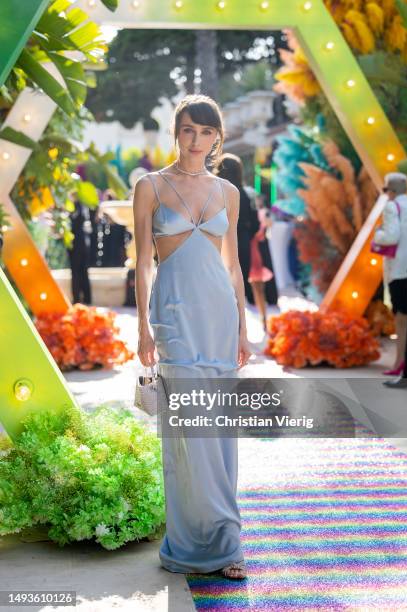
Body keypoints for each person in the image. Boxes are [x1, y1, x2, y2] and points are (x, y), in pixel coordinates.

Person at [133, 95, 252, 579]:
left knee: (218, 432)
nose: (196, 140)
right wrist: (141, 324)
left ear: (217, 137)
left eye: (205, 131)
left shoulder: (228, 192)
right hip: (175, 317)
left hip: (220, 319)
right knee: (187, 433)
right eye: (187, 130)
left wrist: (244, 328)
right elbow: (142, 262)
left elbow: (234, 265)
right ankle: (188, 540)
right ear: (175, 133)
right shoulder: (150, 187)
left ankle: (227, 541)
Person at [372, 173, 407, 376]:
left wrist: (378, 234)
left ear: (391, 190)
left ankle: (399, 363)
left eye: (386, 190)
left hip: (399, 268)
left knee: (401, 318)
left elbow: (391, 236)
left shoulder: (391, 207)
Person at [214, 153, 260, 304]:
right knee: (240, 276)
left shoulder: (214, 193)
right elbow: (255, 224)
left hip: (219, 240)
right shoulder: (247, 194)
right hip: (243, 239)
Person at [248, 200, 274, 331]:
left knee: (258, 288)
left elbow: (267, 229)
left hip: (254, 254)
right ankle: (262, 317)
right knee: (257, 289)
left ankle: (263, 317)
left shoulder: (260, 216)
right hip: (252, 253)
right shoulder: (254, 218)